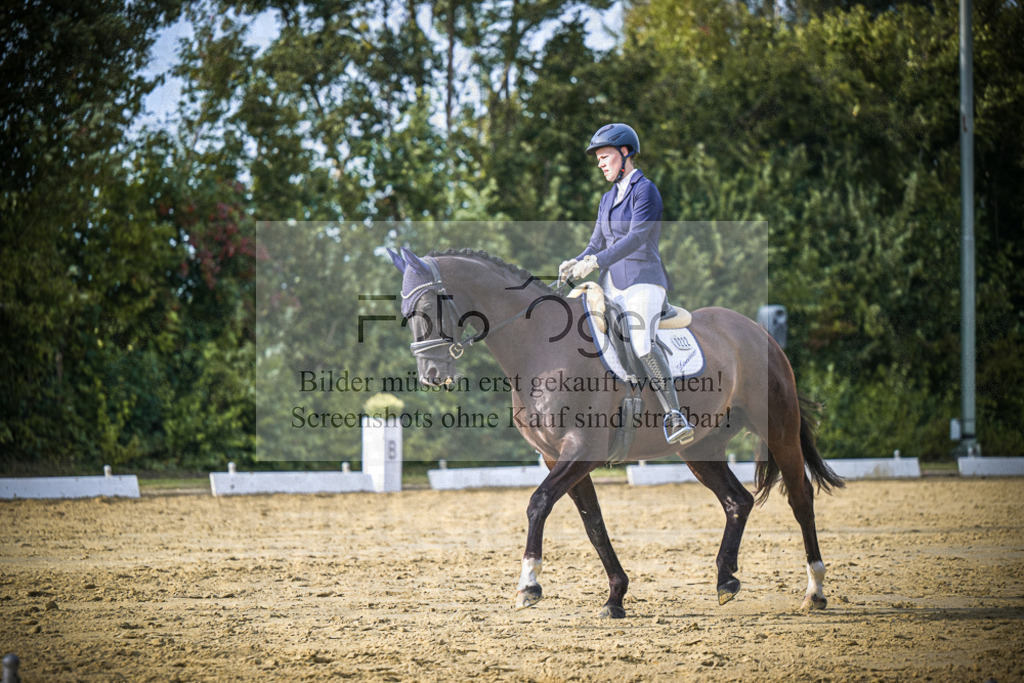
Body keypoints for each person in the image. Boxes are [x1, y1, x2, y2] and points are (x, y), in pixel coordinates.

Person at [559, 123, 694, 445]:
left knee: (641, 342)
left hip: (643, 280)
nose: (600, 164)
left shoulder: (645, 190)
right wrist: (577, 260)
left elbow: (637, 236)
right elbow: (596, 242)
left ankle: (674, 415)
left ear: (625, 154)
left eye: (605, 157)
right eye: (598, 160)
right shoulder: (607, 199)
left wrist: (596, 262)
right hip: (611, 283)